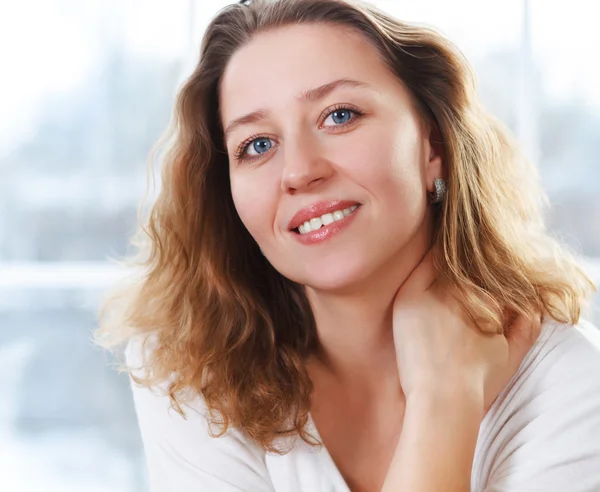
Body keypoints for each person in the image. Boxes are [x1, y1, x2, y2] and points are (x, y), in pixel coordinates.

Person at [95, 0, 600, 490]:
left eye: (339, 115)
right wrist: (443, 401)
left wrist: (445, 397)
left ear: (434, 147)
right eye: (258, 145)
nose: (299, 171)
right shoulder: (190, 373)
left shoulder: (572, 383)